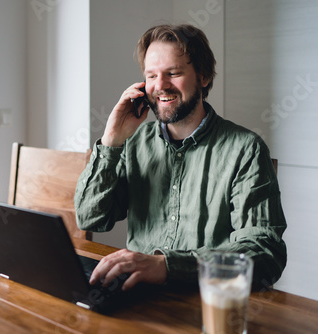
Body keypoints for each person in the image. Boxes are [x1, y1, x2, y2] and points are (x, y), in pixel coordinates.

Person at [74, 24, 287, 291]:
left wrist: (166, 266)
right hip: (137, 296)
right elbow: (91, 219)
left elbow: (265, 254)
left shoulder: (246, 149)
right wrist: (111, 140)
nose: (160, 86)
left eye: (173, 73)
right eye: (151, 76)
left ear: (204, 77)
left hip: (208, 301)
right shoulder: (133, 142)